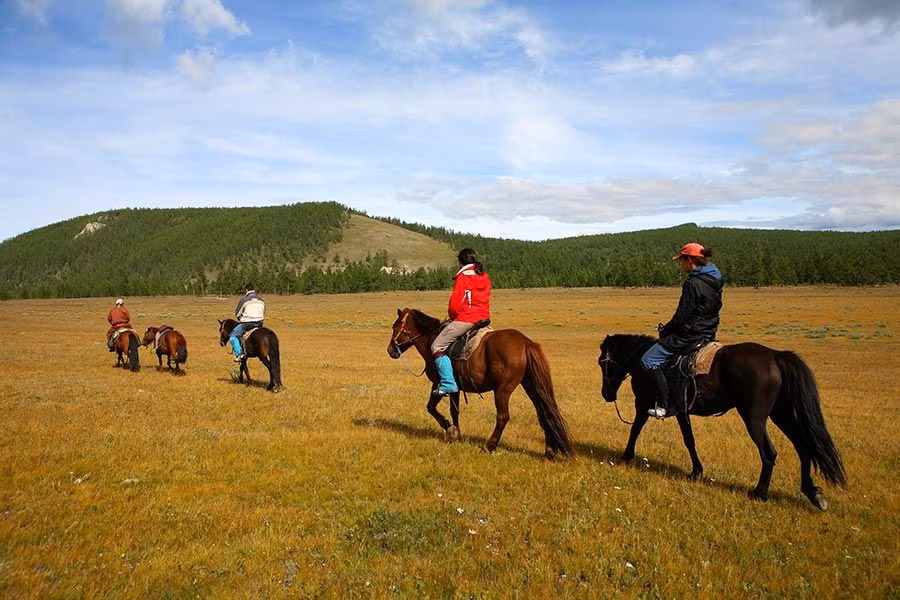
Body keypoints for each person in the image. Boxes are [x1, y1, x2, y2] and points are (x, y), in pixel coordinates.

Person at [642, 243, 724, 419]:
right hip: (708, 332)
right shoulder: (715, 279)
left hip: (690, 334)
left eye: (682, 261)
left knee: (648, 360)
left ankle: (664, 405)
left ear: (689, 260)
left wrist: (666, 330)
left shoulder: (692, 284)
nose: (681, 265)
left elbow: (682, 316)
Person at [430, 248, 492, 395]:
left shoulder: (463, 276)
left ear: (460, 262)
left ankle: (448, 383)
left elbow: (455, 304)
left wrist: (452, 316)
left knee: (437, 346)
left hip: (467, 319)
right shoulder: (483, 275)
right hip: (484, 318)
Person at [230, 283, 265, 362]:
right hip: (259, 323)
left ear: (246, 290)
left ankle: (239, 354)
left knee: (233, 336)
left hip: (247, 323)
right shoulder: (261, 300)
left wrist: (240, 319)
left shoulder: (244, 300)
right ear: (254, 289)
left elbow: (237, 313)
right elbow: (263, 311)